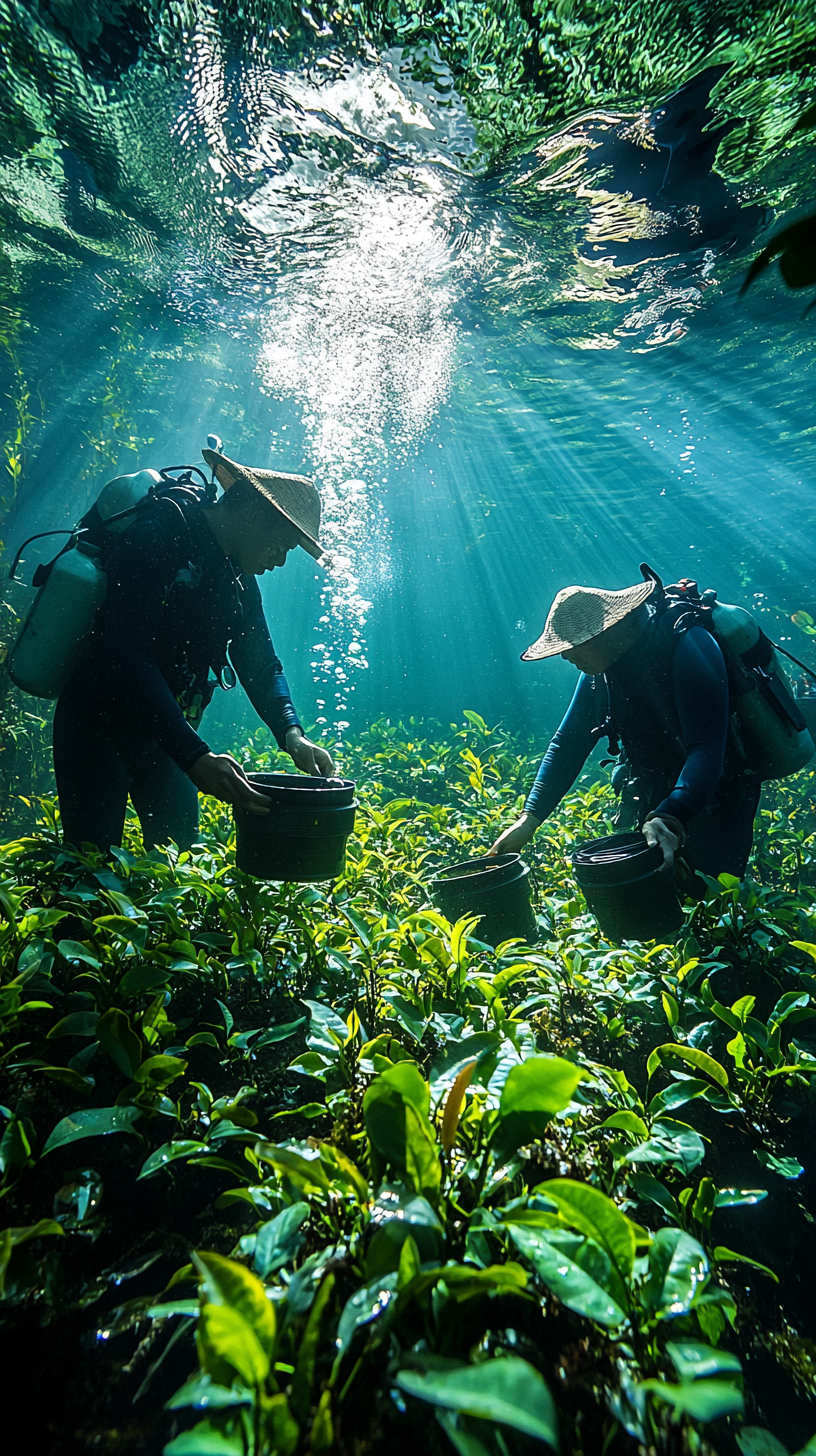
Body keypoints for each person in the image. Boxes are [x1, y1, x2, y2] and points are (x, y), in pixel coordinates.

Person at [53, 446, 335, 852]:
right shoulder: (158, 534)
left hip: (166, 736)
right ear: (254, 514)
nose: (281, 560)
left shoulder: (234, 575)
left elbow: (260, 661)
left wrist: (292, 734)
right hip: (97, 725)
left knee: (179, 867)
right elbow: (125, 653)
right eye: (284, 544)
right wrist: (195, 756)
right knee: (90, 873)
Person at [491, 577, 761, 880]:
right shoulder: (600, 672)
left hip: (719, 792)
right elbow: (568, 743)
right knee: (658, 892)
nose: (566, 655)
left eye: (575, 644)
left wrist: (671, 814)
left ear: (609, 631)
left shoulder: (689, 644)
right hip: (654, 788)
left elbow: (707, 747)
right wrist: (529, 819)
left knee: (714, 894)